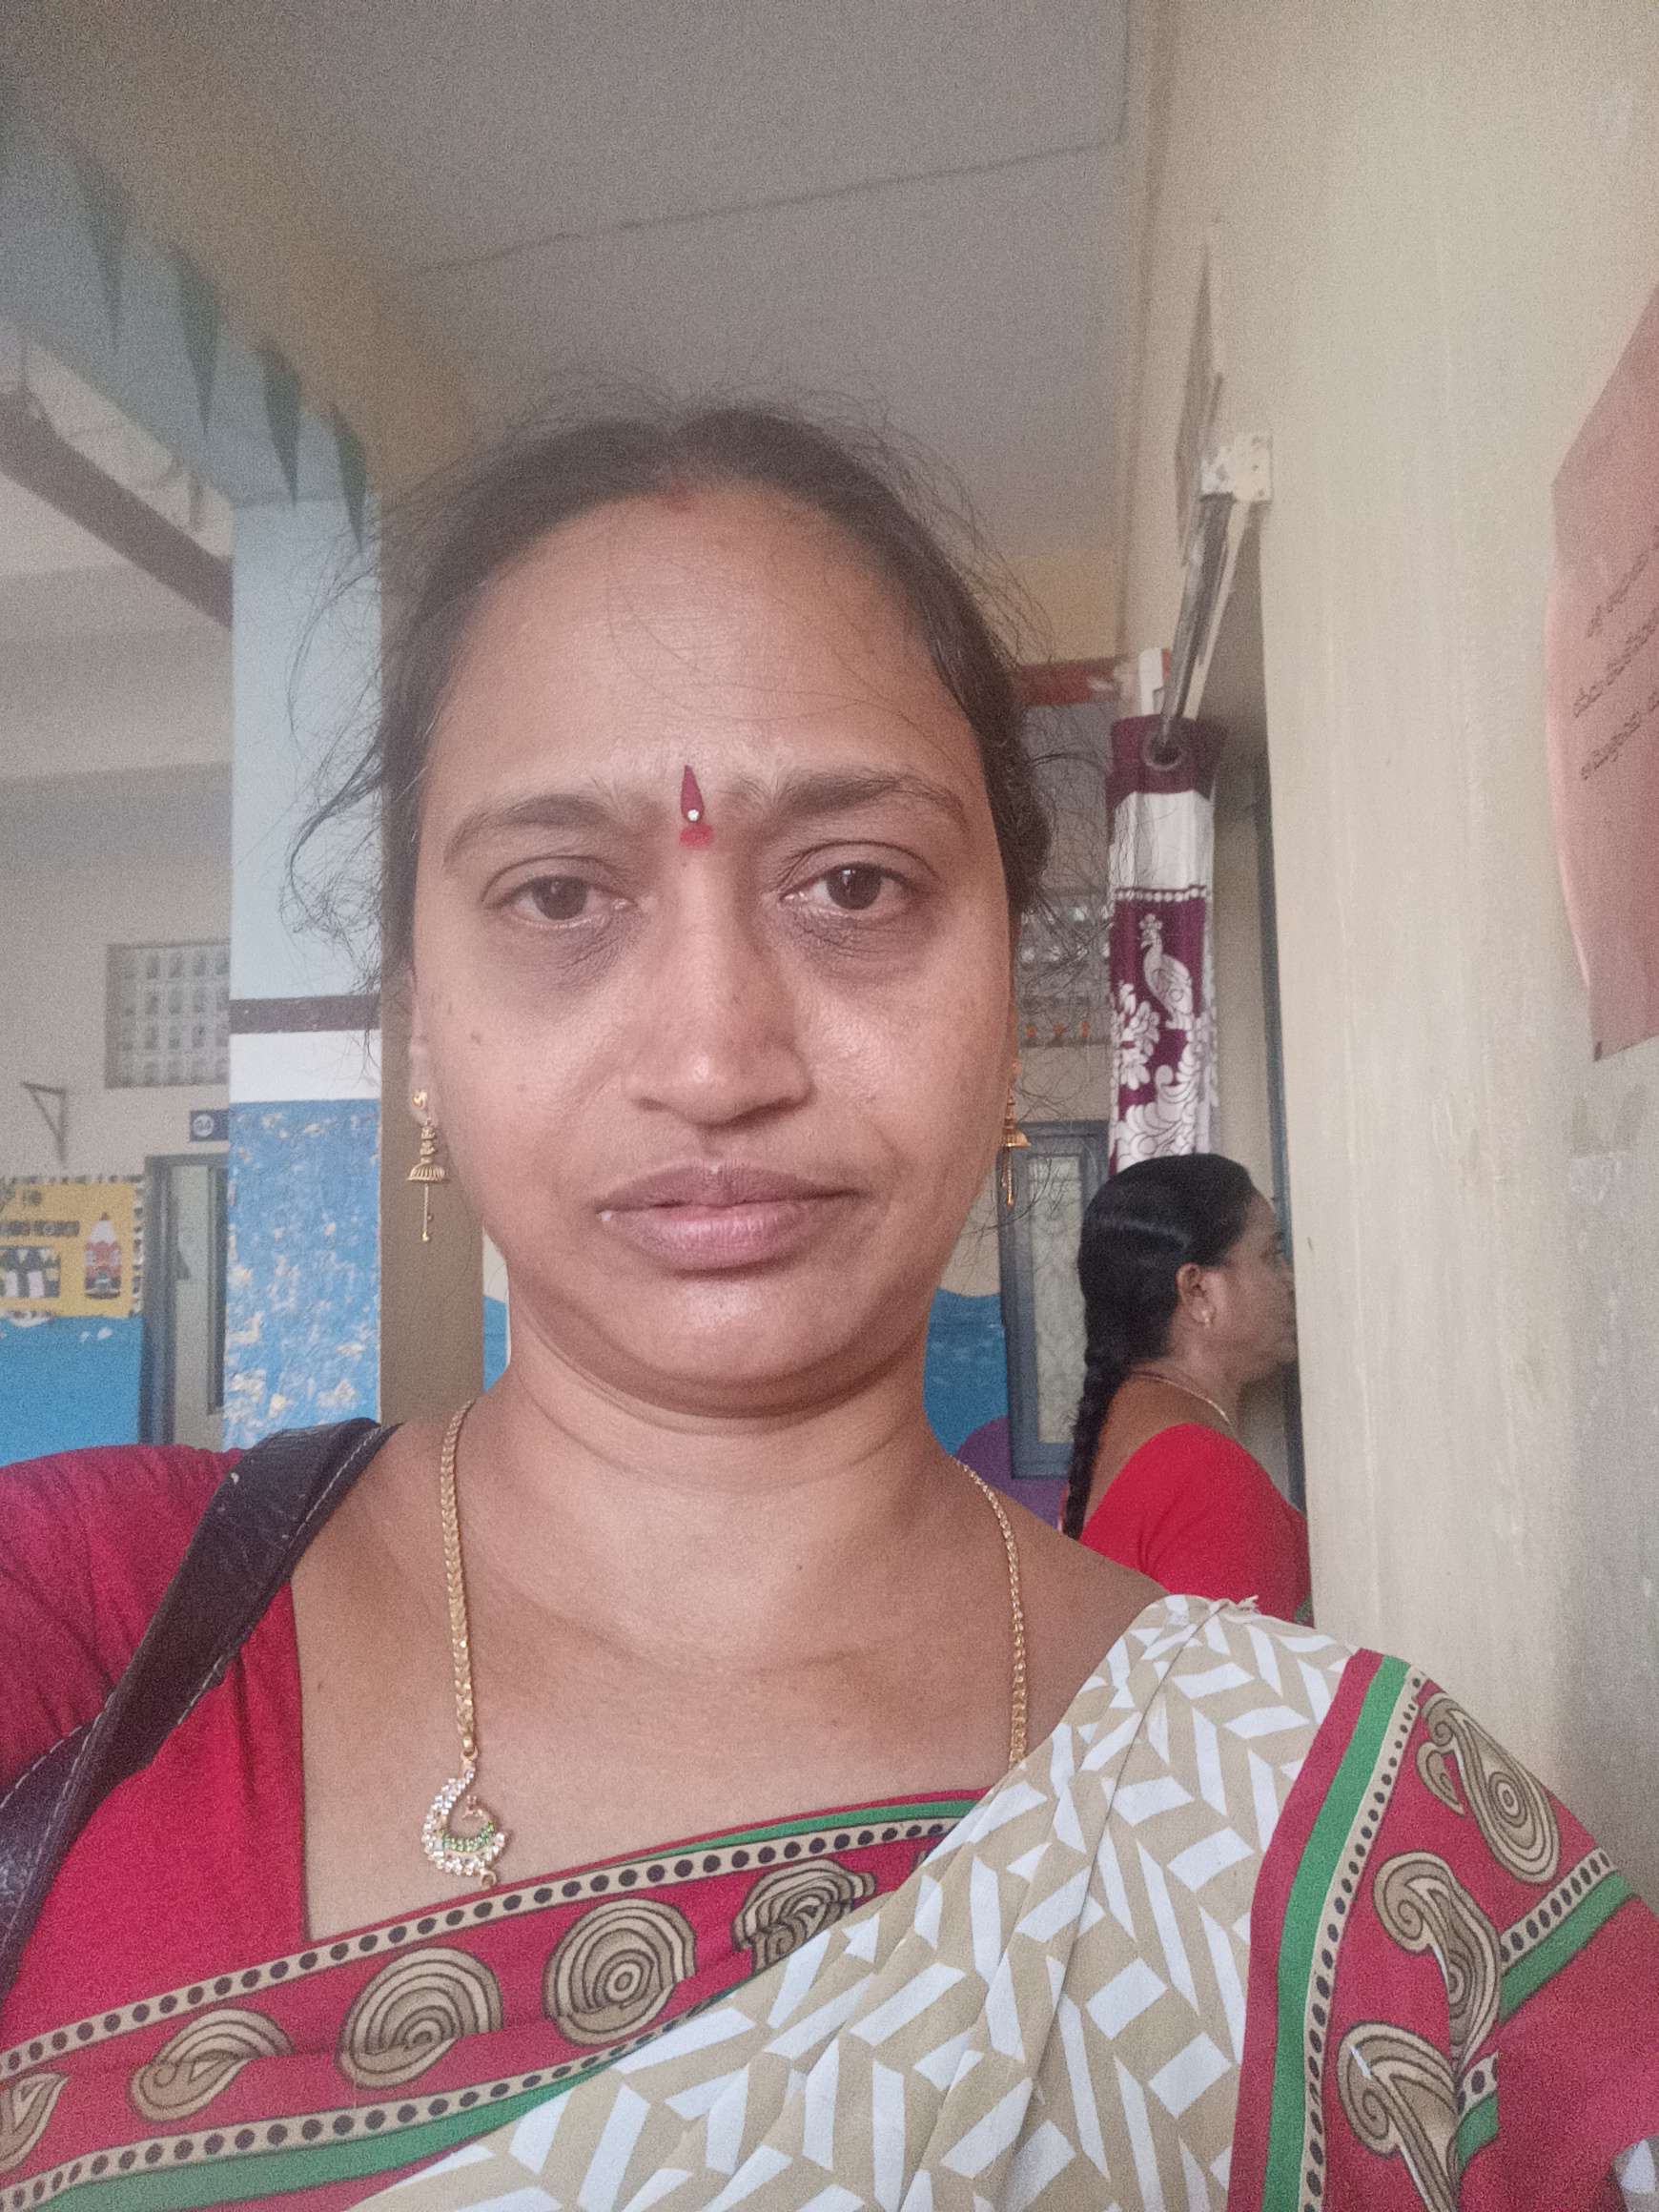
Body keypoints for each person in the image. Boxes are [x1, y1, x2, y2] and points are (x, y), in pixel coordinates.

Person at [2, 405, 1655, 2212]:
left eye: (855, 884)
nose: (718, 1058)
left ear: (1005, 970)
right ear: (416, 1023)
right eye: (558, 895)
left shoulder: (1380, 1865)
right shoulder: (82, 1630)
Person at [1061, 1153, 1311, 1619]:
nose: (1291, 1279)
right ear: (1197, 1291)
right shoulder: (1203, 1472)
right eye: (1271, 1256)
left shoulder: (1126, 1426)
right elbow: (1243, 1670)